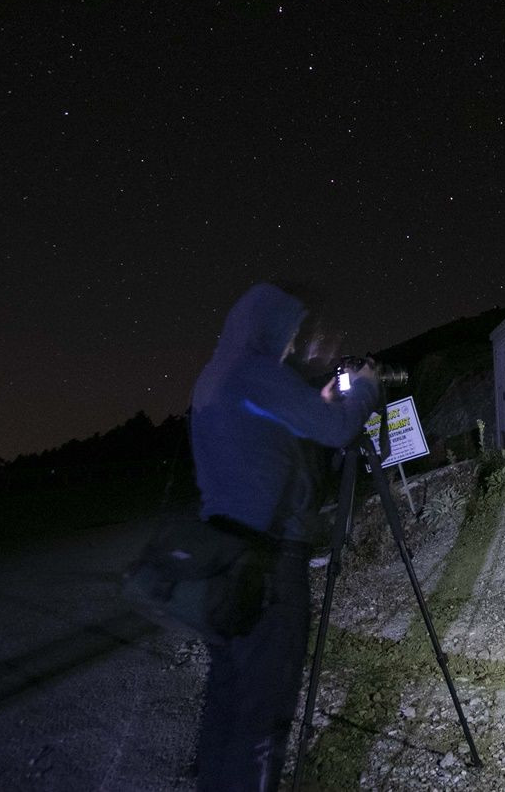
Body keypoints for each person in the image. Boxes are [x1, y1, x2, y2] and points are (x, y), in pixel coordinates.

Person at [189, 281, 378, 792]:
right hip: (268, 566)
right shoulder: (258, 372)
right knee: (264, 714)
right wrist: (364, 388)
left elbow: (256, 441)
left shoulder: (215, 377)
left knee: (228, 698)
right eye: (290, 333)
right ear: (269, 328)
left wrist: (311, 402)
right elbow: (337, 431)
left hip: (222, 559)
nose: (293, 344)